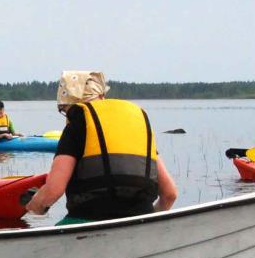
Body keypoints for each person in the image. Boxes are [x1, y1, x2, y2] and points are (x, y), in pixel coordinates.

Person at [24, 70, 178, 222]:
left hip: (88, 218)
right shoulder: (137, 125)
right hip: (142, 217)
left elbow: (53, 191)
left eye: (64, 110)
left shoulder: (78, 124)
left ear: (72, 104)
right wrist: (146, 222)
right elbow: (170, 195)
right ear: (102, 96)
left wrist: (35, 207)